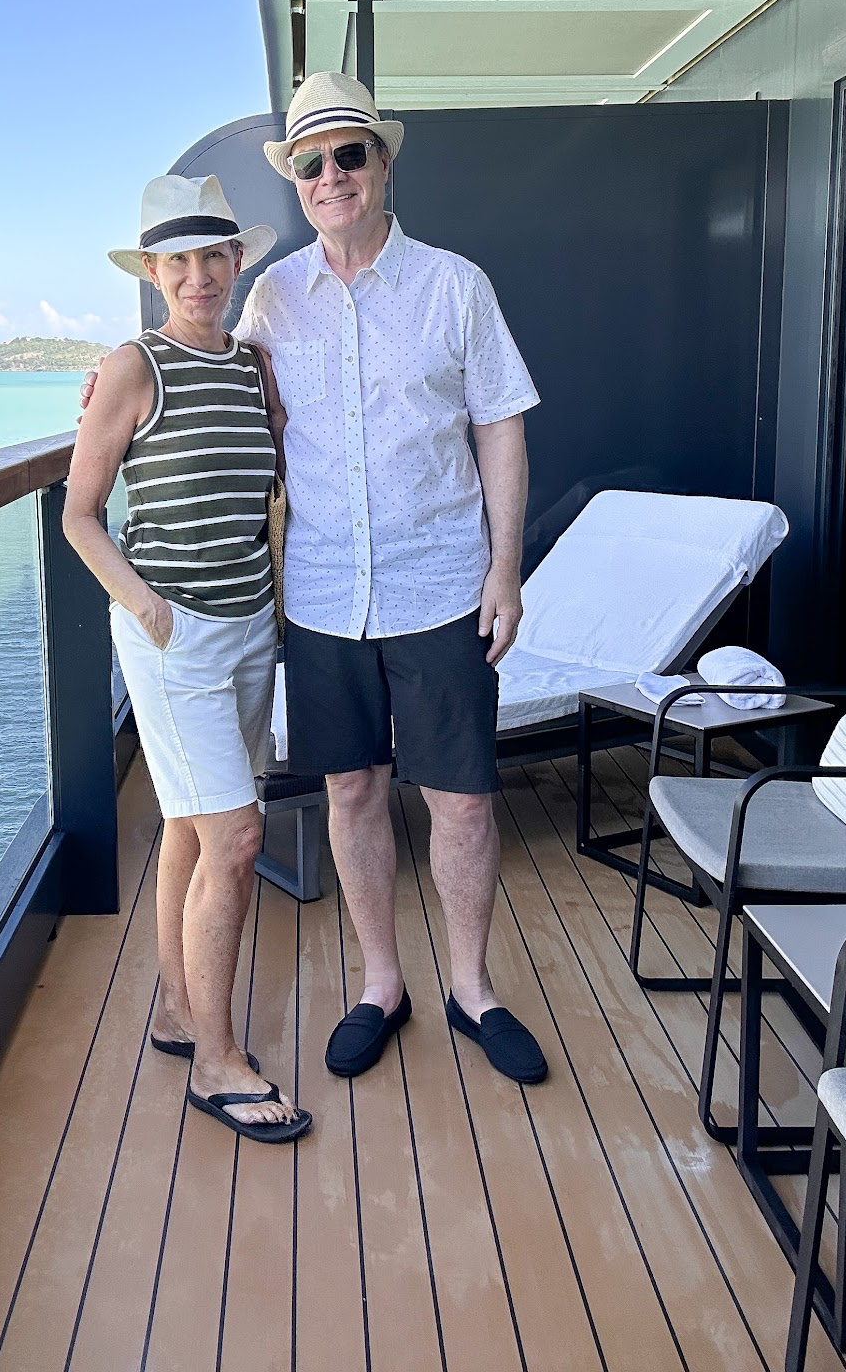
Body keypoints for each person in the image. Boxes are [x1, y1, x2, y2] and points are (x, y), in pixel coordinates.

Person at [83, 73, 547, 1087]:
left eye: (350, 154)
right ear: (295, 182)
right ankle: (383, 983)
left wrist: (506, 566)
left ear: (382, 164)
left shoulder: (455, 286)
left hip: (442, 584)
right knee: (350, 788)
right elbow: (201, 362)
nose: (332, 175)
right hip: (326, 596)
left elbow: (500, 424)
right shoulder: (272, 297)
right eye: (312, 162)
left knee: (463, 803)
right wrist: (109, 379)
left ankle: (474, 988)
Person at [64, 173, 310, 1144]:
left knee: (191, 828)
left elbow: (276, 479)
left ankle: (175, 1009)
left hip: (252, 626)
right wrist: (145, 607)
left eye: (215, 255)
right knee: (239, 839)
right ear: (154, 272)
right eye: (180, 260)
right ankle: (216, 1059)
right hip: (176, 640)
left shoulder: (253, 367)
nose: (200, 274)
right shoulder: (132, 367)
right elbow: (82, 516)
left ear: (237, 261)